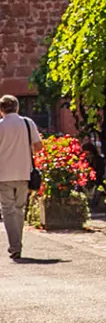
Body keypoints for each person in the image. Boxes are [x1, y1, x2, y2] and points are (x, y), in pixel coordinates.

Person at [0, 94, 43, 260]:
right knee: (19, 209)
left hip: (3, 174)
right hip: (24, 172)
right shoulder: (27, 123)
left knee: (8, 210)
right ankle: (17, 244)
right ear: (17, 107)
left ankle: (15, 246)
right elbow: (38, 146)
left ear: (1, 110)